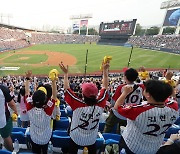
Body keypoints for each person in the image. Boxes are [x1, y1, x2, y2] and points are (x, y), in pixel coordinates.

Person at [114, 80, 179, 154]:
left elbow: (117, 107)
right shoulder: (174, 106)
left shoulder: (138, 110)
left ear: (148, 95)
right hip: (154, 147)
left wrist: (125, 93)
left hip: (133, 146)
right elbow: (166, 99)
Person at [59, 60, 109, 154]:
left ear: (83, 94)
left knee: (72, 151)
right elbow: (105, 88)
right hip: (91, 138)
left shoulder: (77, 104)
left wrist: (65, 74)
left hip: (76, 137)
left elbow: (66, 89)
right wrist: (105, 72)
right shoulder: (101, 103)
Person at [104, 68, 144, 133]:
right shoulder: (141, 87)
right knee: (125, 130)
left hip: (118, 113)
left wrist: (110, 106)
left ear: (125, 77)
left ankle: (105, 137)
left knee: (108, 125)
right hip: (130, 114)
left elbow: (114, 102)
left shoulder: (121, 87)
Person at [24, 70, 56, 154]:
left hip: (34, 137)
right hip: (46, 138)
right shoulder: (48, 110)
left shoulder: (29, 108)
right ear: (45, 100)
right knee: (44, 151)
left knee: (36, 151)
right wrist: (53, 81)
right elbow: (54, 96)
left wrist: (27, 78)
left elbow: (26, 92)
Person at [0, 84, 18, 151]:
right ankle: (10, 151)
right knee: (6, 136)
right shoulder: (2, 88)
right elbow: (12, 104)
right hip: (3, 119)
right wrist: (16, 112)